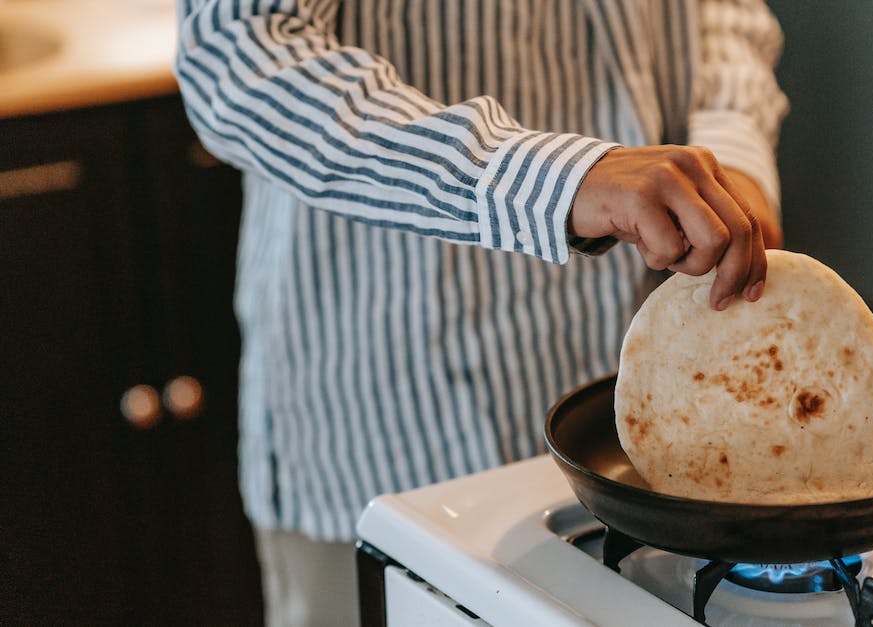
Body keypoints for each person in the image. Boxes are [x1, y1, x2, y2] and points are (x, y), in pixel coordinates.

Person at [174, 0, 788, 624]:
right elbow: (241, 56)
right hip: (387, 427)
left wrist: (727, 151)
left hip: (642, 452)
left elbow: (721, 18)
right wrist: (552, 180)